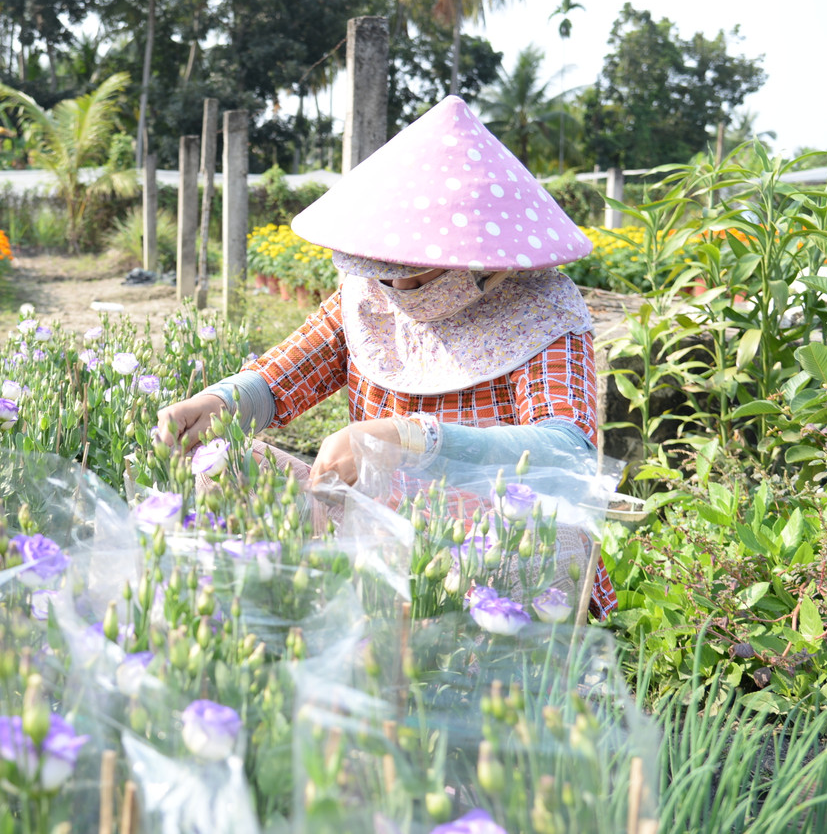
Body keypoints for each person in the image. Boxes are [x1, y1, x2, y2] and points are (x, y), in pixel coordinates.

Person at [156, 95, 616, 620]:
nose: (398, 286)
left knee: (552, 534)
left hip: (485, 540)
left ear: (489, 263)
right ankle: (299, 617)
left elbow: (564, 452)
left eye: (420, 273)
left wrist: (410, 439)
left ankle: (476, 655)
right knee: (226, 464)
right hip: (375, 519)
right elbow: (281, 377)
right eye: (384, 269)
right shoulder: (370, 295)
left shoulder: (541, 310)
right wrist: (218, 403)